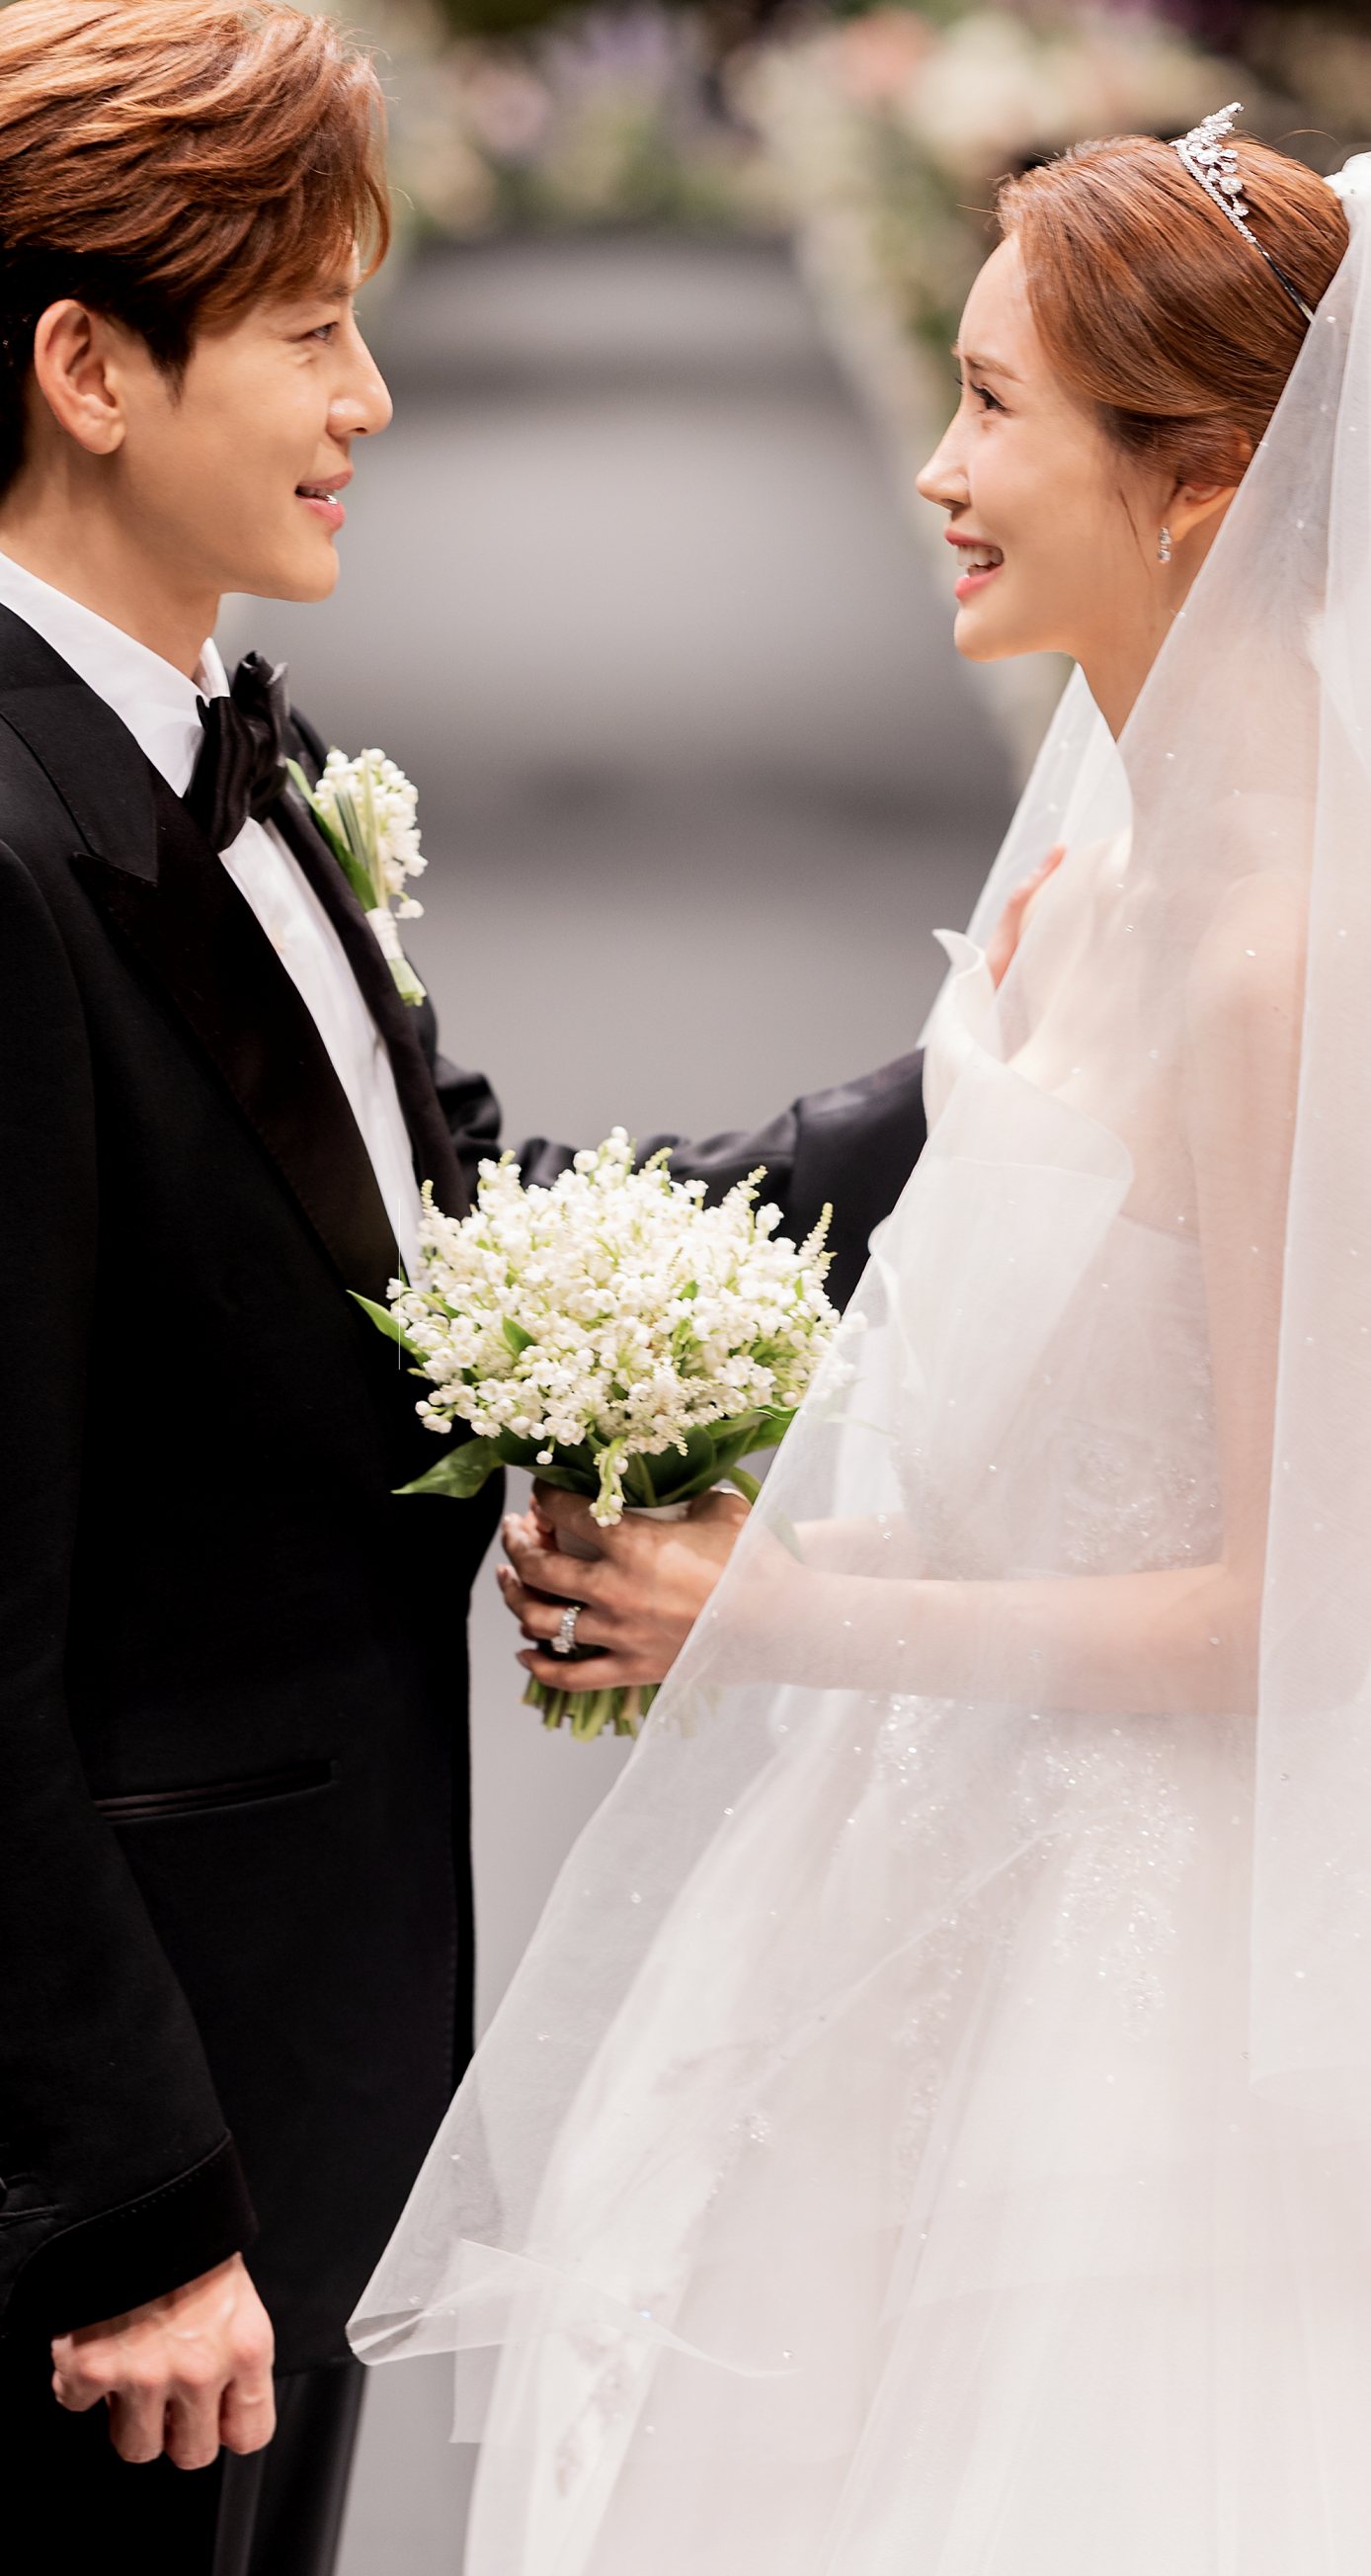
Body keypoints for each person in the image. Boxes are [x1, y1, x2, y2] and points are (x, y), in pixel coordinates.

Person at [358, 119, 1371, 2573]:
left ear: (1197, 484)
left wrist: (786, 1605)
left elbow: (1286, 1617)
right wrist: (735, 1483)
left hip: (1127, 1953)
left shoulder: (1276, 971)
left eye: (997, 412)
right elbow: (1049, 1413)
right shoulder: (1102, 853)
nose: (932, 469)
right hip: (911, 1836)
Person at [0, 7, 960, 2568]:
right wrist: (116, 2202)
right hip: (124, 2146)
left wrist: (956, 1105)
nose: (373, 397)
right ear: (88, 365)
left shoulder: (216, 745)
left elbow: (450, 1240)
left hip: (293, 2052)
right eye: (311, 326)